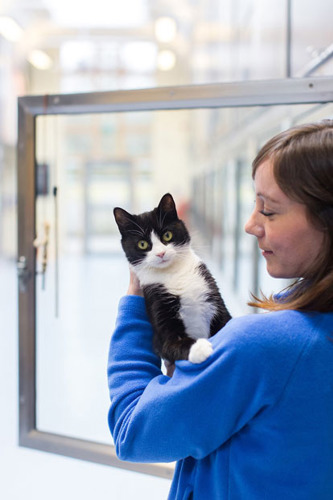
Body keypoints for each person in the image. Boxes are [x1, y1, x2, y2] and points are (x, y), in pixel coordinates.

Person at [107, 119, 333, 499]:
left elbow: (132, 431)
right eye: (254, 205)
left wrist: (134, 305)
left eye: (269, 210)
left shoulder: (264, 347)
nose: (250, 225)